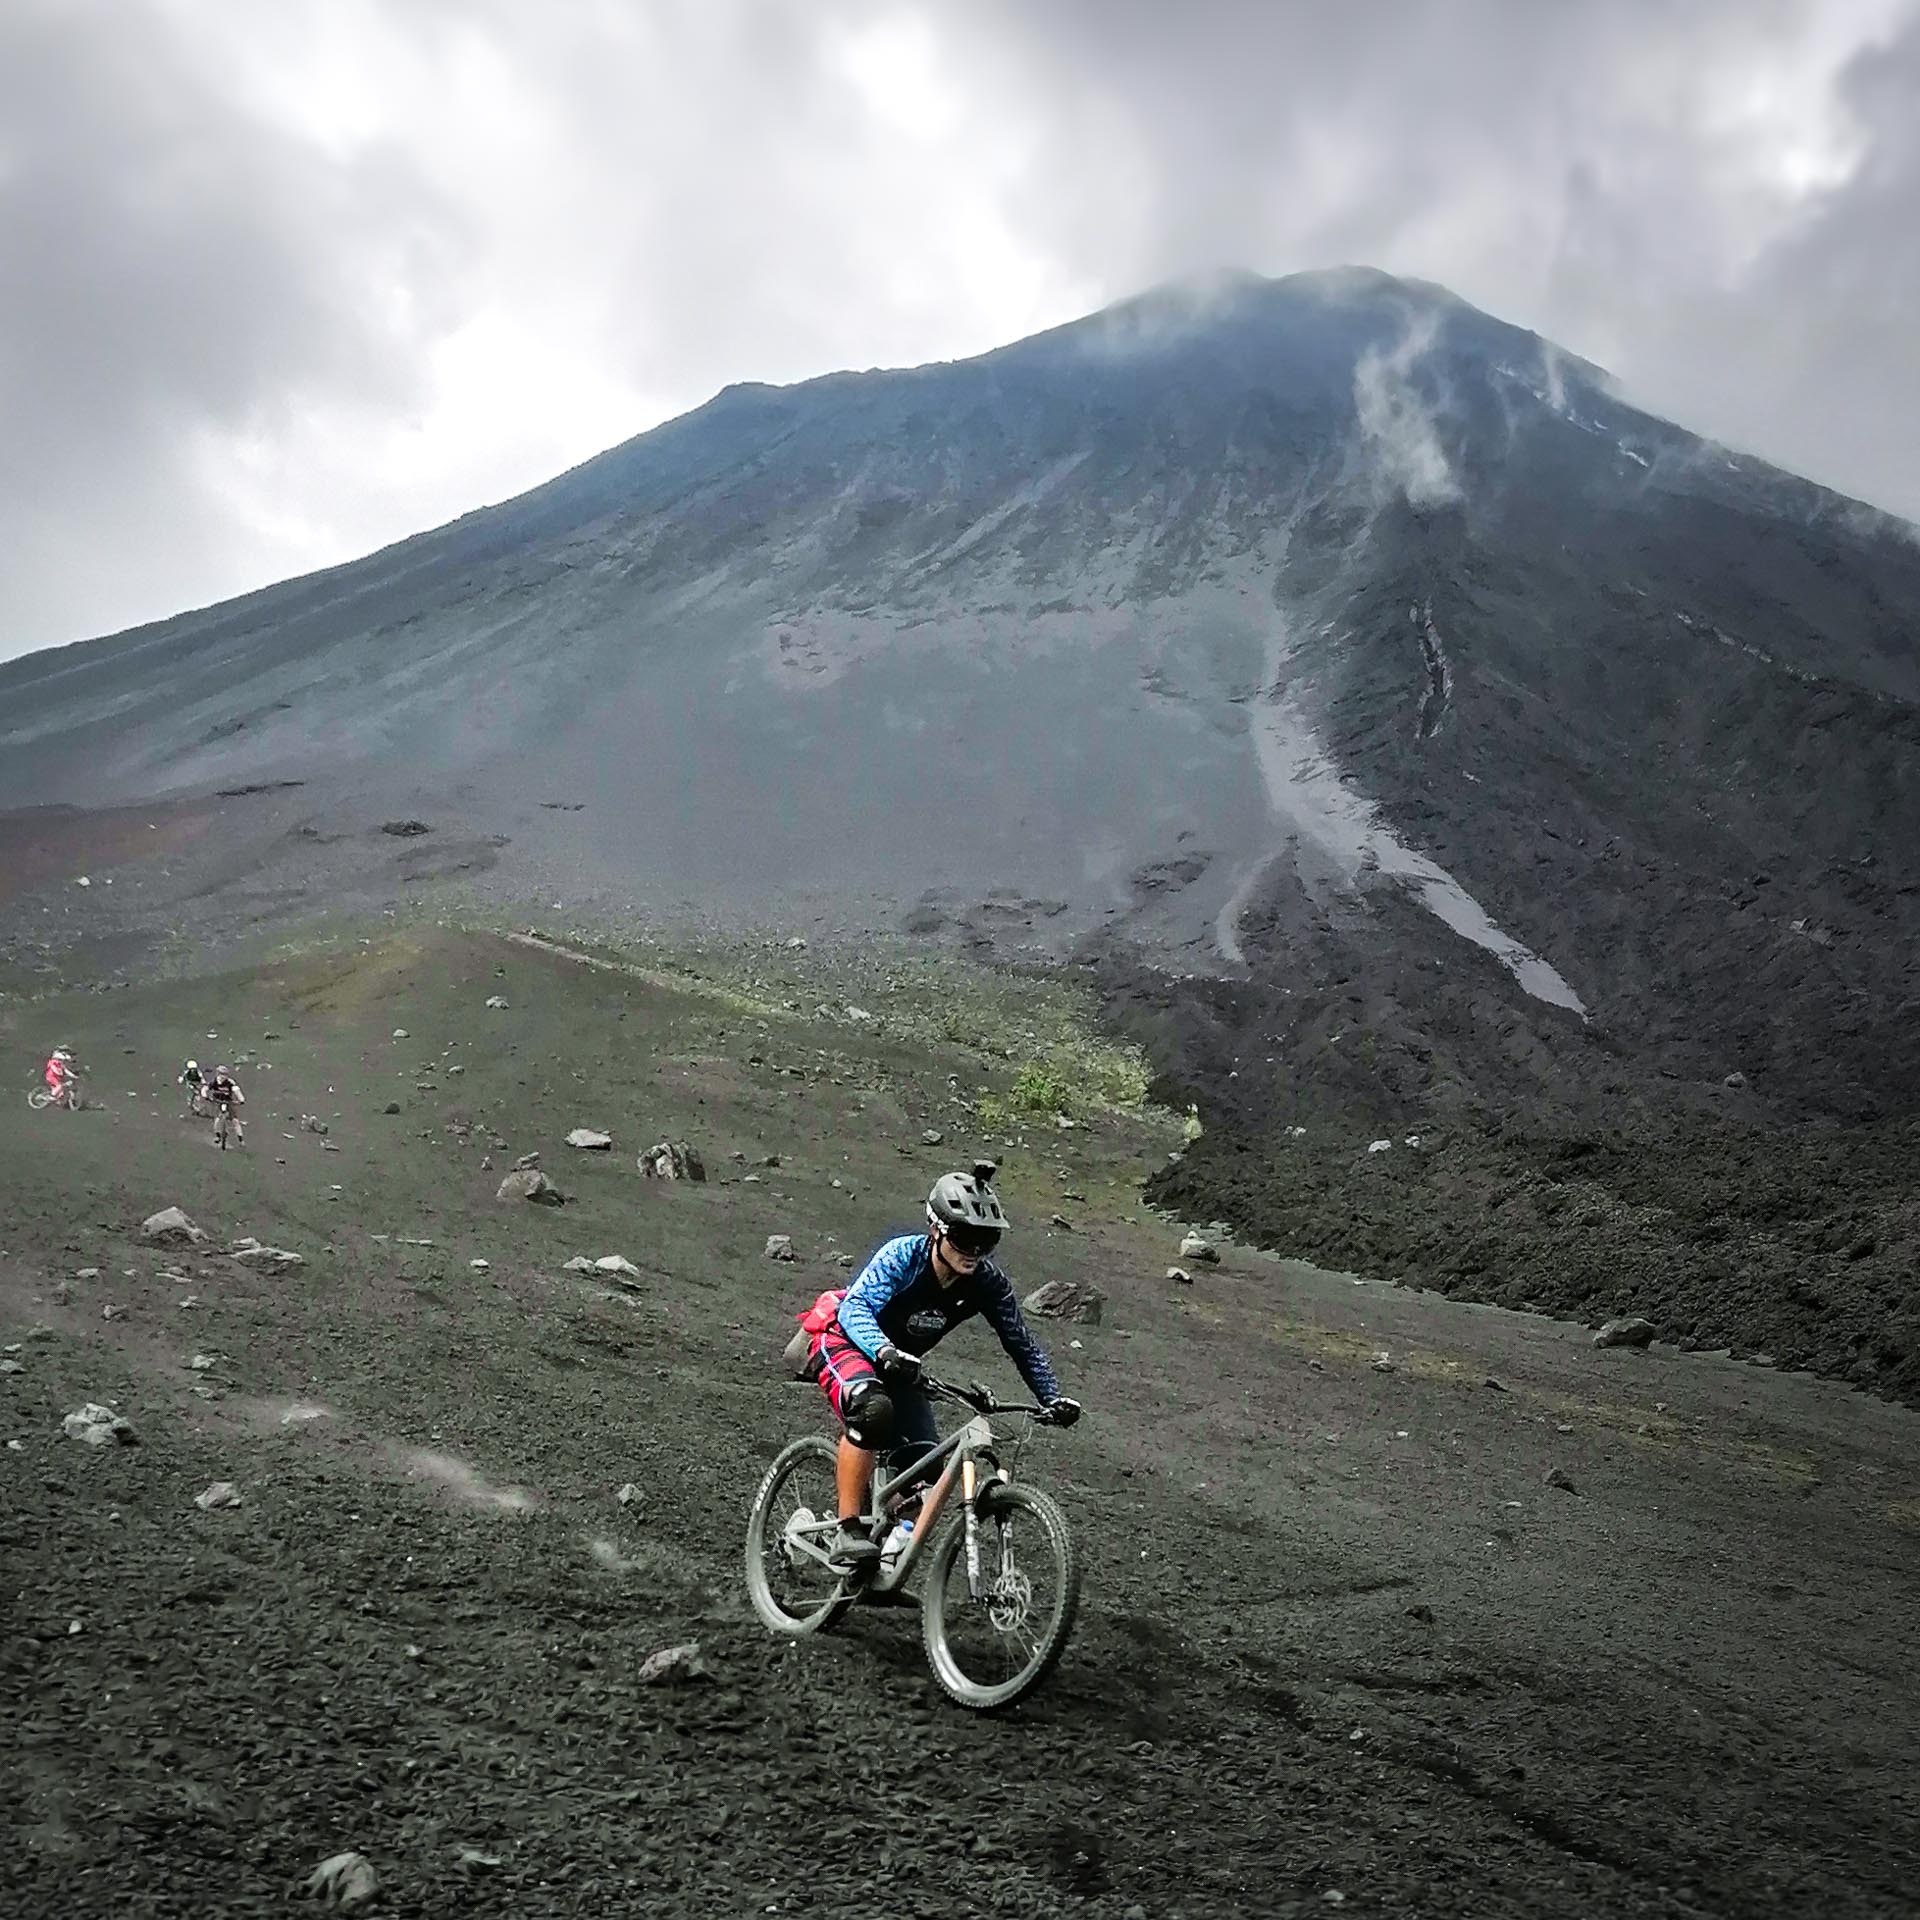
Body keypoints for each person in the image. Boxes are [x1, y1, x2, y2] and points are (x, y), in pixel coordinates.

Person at [811, 1160, 1080, 1572]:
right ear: (936, 1229)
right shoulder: (903, 1256)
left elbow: (1020, 1343)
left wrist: (1051, 1397)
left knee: (928, 1469)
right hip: (843, 1339)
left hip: (901, 1364)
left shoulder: (988, 1284)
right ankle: (848, 1530)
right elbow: (856, 1308)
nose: (973, 1251)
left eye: (985, 1241)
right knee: (873, 1410)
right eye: (963, 1237)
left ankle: (883, 1563)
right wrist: (883, 1350)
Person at [205, 1064, 245, 1142]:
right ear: (217, 1074)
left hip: (228, 1101)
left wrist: (241, 1099)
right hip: (217, 1101)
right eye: (221, 1074)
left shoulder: (230, 1082)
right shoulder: (214, 1082)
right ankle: (217, 1135)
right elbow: (205, 1088)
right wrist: (205, 1096)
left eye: (225, 1075)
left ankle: (240, 1139)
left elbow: (236, 1090)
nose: (223, 1076)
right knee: (217, 1119)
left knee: (235, 1120)